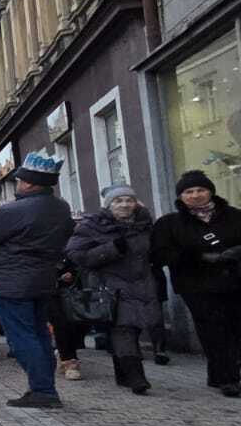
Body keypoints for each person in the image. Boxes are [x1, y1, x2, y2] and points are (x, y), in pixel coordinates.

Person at [0, 152, 74, 407]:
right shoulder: (60, 208)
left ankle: (43, 391)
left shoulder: (15, 210)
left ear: (29, 183)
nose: (18, 184)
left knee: (22, 337)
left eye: (21, 180)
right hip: (42, 280)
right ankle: (45, 388)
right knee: (40, 335)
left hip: (11, 283)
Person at [152, 169, 241, 397]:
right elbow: (159, 255)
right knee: (213, 329)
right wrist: (195, 256)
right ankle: (229, 378)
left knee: (233, 328)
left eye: (200, 190)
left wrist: (235, 252)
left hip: (234, 281)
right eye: (189, 191)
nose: (195, 195)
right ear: (181, 197)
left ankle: (216, 374)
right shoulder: (170, 223)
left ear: (210, 191)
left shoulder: (234, 216)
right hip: (196, 285)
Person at [66, 184, 160, 394]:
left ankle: (123, 374)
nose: (124, 205)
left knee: (133, 330)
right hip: (110, 287)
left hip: (143, 286)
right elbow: (75, 254)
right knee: (123, 329)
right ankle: (137, 377)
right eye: (118, 201)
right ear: (108, 205)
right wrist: (112, 249)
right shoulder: (92, 225)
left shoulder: (145, 224)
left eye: (129, 200)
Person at [47, 256, 86, 381]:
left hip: (66, 291)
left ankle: (67, 357)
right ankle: (69, 360)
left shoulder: (64, 246)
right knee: (60, 323)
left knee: (72, 324)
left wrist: (72, 273)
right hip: (45, 291)